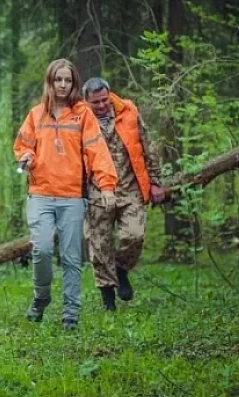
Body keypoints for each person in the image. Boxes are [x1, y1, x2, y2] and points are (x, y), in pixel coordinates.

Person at [13, 59, 118, 330]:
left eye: (67, 80)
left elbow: (98, 151)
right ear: (50, 82)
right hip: (40, 194)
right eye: (57, 80)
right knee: (42, 250)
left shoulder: (83, 115)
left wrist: (106, 186)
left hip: (72, 196)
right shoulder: (36, 114)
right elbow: (24, 145)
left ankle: (70, 313)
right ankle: (41, 297)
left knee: (72, 257)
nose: (62, 85)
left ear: (74, 84)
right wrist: (26, 156)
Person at [81, 78, 166, 311]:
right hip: (96, 191)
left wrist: (156, 182)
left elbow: (148, 147)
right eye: (95, 102)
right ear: (87, 102)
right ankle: (108, 300)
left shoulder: (129, 112)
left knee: (134, 235)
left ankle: (121, 269)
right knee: (99, 245)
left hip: (131, 188)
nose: (101, 106)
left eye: (104, 100)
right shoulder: (79, 120)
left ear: (110, 96)